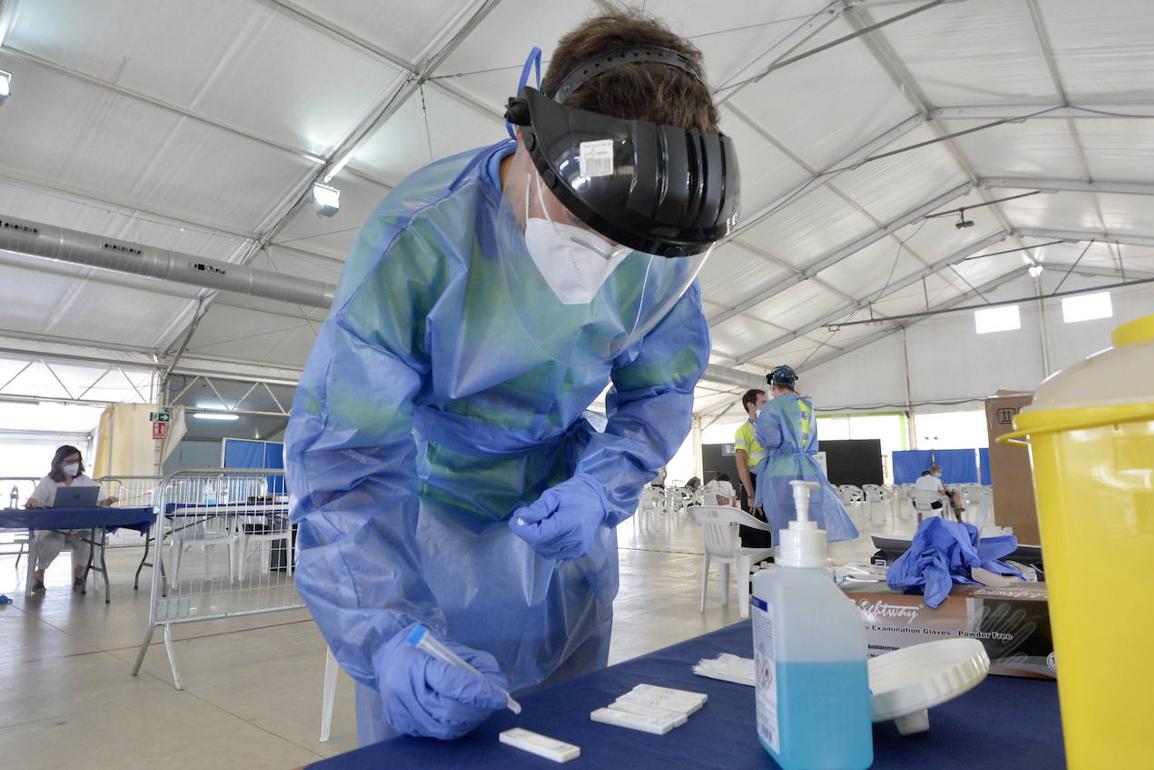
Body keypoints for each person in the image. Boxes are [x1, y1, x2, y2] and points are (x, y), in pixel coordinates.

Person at [285, 11, 740, 745]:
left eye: (625, 243)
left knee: (573, 728)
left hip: (564, 521)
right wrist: (387, 632)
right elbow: (346, 457)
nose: (601, 254)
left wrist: (601, 487)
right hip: (423, 529)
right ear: (527, 135)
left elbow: (659, 391)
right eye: (586, 217)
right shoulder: (422, 237)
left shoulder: (661, 250)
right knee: (429, 737)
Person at [753, 366, 858, 544]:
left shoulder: (772, 407)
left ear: (774, 385)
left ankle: (787, 560)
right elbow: (812, 440)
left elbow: (772, 440)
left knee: (784, 524)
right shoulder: (807, 405)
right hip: (807, 469)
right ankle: (809, 556)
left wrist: (758, 430)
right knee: (808, 517)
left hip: (780, 471)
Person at [24, 445, 117, 594]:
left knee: (91, 539)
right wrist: (32, 503)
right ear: (59, 462)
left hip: (79, 528)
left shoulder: (85, 480)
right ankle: (39, 572)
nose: (74, 464)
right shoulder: (48, 482)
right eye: (70, 461)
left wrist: (107, 501)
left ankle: (79, 573)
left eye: (77, 461)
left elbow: (100, 501)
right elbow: (34, 500)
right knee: (54, 542)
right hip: (53, 528)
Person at [734, 388, 770, 547]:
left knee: (770, 532)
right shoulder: (743, 431)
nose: (767, 406)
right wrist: (751, 494)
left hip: (769, 483)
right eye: (763, 402)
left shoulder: (770, 429)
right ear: (750, 405)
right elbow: (741, 464)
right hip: (753, 484)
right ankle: (753, 571)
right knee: (755, 533)